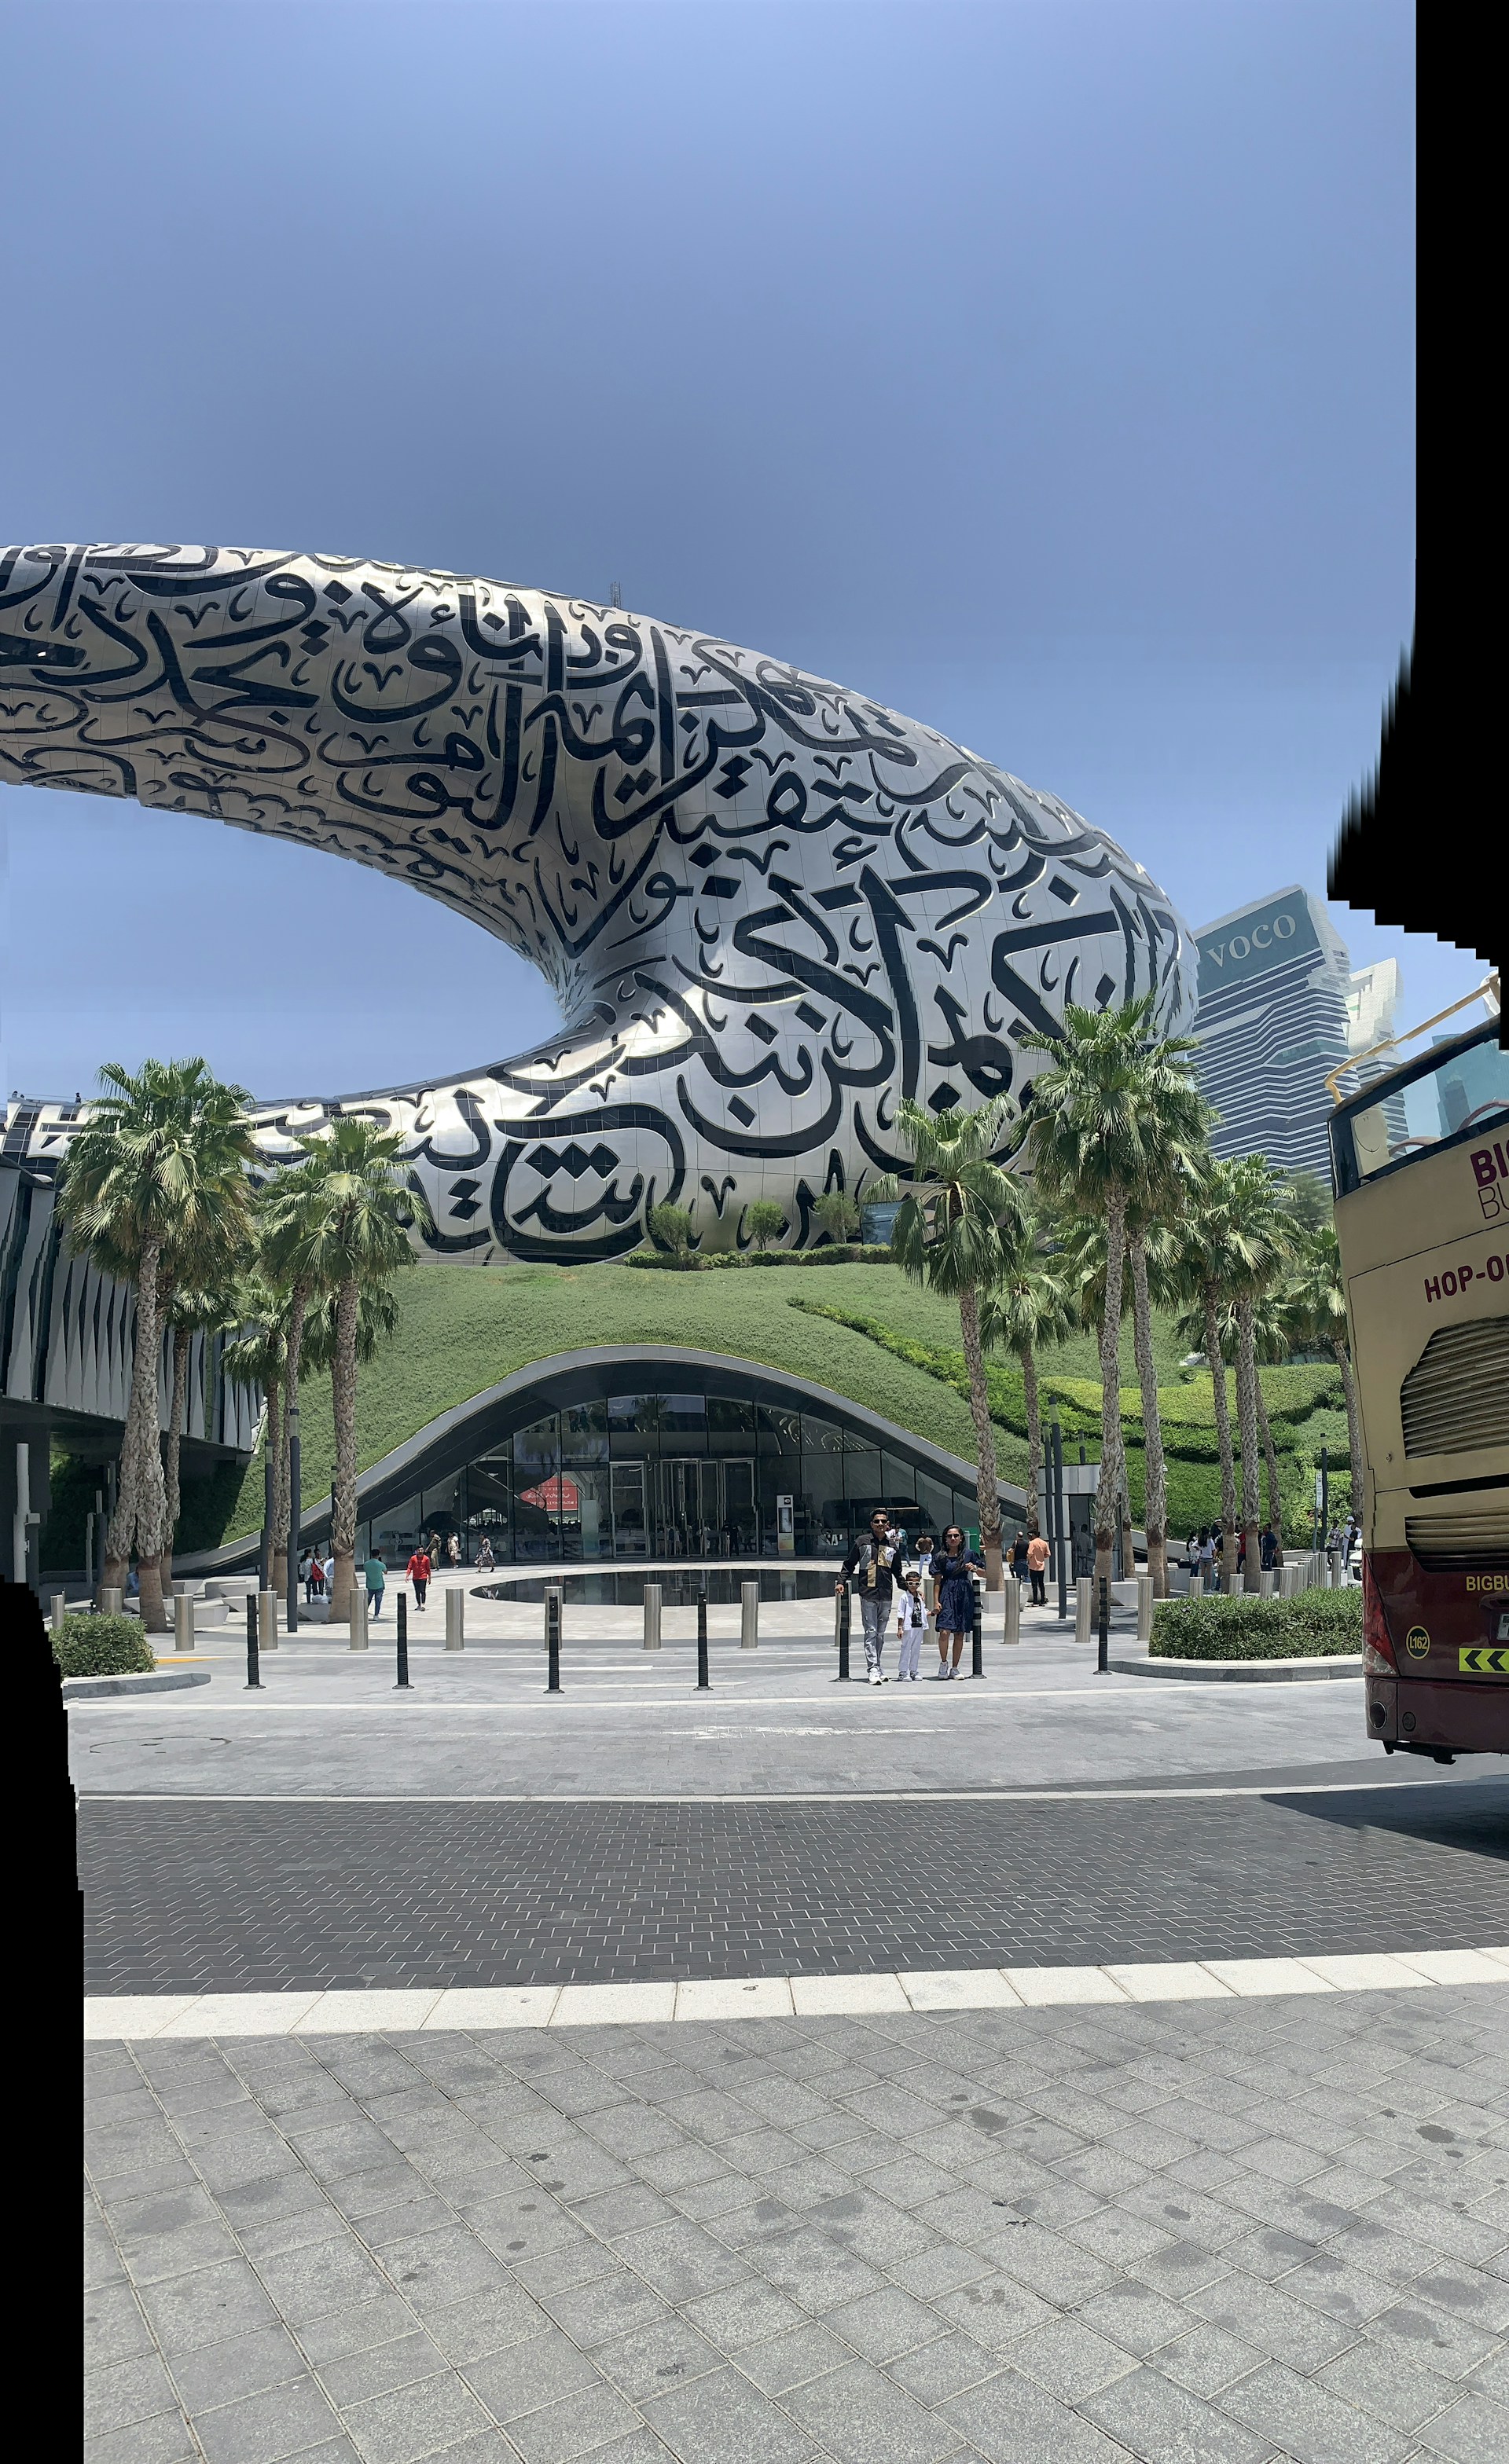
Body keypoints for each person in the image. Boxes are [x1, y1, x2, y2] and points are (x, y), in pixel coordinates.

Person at [838, 1509, 904, 1684]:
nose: (880, 1524)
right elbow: (850, 1563)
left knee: (881, 1634)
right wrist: (841, 1581)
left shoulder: (892, 1545)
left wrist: (907, 1587)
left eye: (883, 1521)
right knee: (871, 1631)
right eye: (877, 1521)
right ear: (871, 1524)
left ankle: (878, 1666)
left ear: (887, 1524)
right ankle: (872, 1668)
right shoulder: (862, 1542)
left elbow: (897, 1570)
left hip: (886, 1594)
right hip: (868, 1593)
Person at [931, 1525, 984, 1677]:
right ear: (945, 1539)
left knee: (960, 1633)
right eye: (950, 1536)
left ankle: (955, 1667)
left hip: (964, 1593)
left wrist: (974, 1569)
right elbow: (937, 1581)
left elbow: (985, 1573)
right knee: (944, 1631)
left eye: (956, 1536)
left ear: (961, 1538)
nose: (953, 1539)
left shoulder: (969, 1555)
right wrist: (936, 1601)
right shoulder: (940, 1557)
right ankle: (943, 1663)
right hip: (947, 1591)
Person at [895, 1570, 927, 1681]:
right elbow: (901, 1613)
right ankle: (903, 1672)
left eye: (916, 1584)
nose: (913, 1586)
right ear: (906, 1584)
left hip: (919, 1626)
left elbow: (922, 1610)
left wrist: (931, 1613)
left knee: (916, 1649)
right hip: (908, 1627)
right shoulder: (904, 1597)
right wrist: (900, 1628)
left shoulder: (920, 1597)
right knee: (906, 1648)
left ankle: (914, 1671)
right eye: (910, 1583)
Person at [1026, 1524, 1050, 1606]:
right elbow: (1048, 1554)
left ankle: (1035, 1601)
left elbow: (1029, 1553)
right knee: (1041, 1583)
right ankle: (1043, 1599)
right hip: (1041, 1566)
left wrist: (1029, 1558)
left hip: (1033, 1566)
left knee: (1034, 1584)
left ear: (1034, 1535)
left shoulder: (1032, 1543)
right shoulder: (1044, 1543)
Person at [407, 1544, 431, 1608]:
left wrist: (429, 1578)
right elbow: (410, 1567)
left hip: (423, 1577)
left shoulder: (426, 1558)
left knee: (423, 1591)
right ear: (416, 1551)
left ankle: (423, 1604)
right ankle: (419, 1604)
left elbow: (428, 1568)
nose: (420, 1551)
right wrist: (407, 1576)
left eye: (421, 1550)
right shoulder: (413, 1558)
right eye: (419, 1550)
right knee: (417, 1592)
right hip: (415, 1578)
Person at [363, 1551, 386, 1619]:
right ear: (378, 1555)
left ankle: (363, 1613)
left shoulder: (366, 1564)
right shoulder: (381, 1564)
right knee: (378, 1601)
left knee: (368, 1600)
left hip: (370, 1585)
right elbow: (385, 1571)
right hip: (379, 1585)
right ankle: (376, 1615)